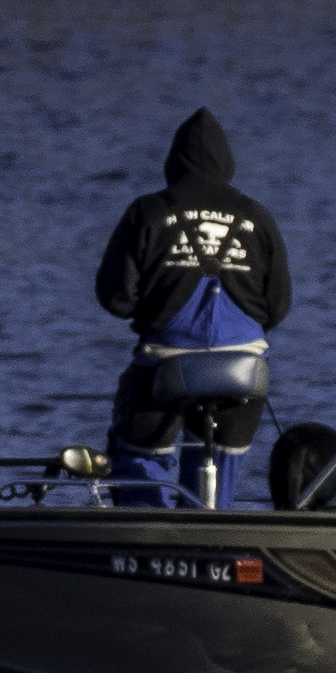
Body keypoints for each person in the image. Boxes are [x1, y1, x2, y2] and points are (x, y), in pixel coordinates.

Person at [95, 108, 292, 507]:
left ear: (172, 162)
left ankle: (145, 526)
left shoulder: (148, 211)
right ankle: (211, 526)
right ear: (227, 162)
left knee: (136, 454)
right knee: (220, 474)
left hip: (165, 364)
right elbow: (278, 305)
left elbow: (115, 299)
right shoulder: (258, 215)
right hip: (242, 370)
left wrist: (153, 309)